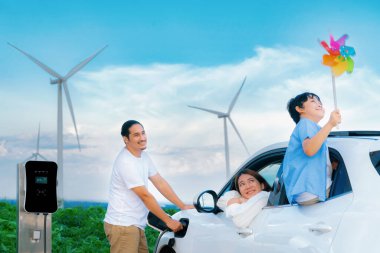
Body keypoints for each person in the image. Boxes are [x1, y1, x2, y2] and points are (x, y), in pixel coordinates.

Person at [104, 120, 193, 253]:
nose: (142, 138)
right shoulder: (126, 162)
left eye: (143, 133)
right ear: (125, 139)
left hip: (135, 225)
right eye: (136, 135)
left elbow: (160, 182)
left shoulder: (143, 156)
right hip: (123, 226)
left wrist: (182, 205)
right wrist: (168, 221)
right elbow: (145, 196)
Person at [282, 92, 341, 205]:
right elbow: (309, 149)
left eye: (320, 102)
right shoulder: (305, 123)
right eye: (313, 101)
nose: (319, 104)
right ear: (299, 109)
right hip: (312, 190)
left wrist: (332, 166)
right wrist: (330, 124)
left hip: (309, 191)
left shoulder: (314, 129)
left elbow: (313, 159)